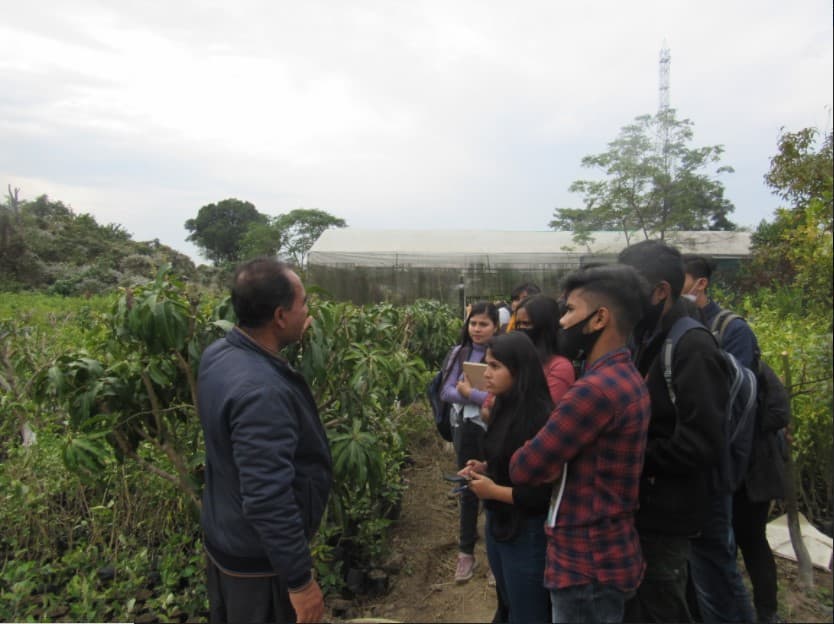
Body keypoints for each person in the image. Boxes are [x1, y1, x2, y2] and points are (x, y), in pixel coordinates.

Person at [509, 264, 652, 623]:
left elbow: (526, 467)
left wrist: (536, 449)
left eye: (570, 311)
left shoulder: (593, 390)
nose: (561, 322)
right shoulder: (626, 375)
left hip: (585, 563)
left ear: (599, 318)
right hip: (609, 553)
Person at [198, 258, 332, 624]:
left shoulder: (219, 354)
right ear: (279, 316)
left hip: (227, 539)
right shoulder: (261, 392)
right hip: (259, 568)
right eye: (302, 303)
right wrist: (300, 581)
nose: (307, 312)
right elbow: (267, 497)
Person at [618, 240, 729, 624]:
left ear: (660, 291)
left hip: (669, 511)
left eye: (628, 294)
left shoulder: (692, 347)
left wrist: (629, 451)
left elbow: (701, 444)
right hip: (645, 504)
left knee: (662, 602)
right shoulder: (648, 338)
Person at [683, 254, 772, 623]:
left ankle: (764, 613)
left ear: (700, 283)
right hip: (699, 461)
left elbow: (735, 401)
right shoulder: (679, 325)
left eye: (681, 279)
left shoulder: (732, 328)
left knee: (730, 551)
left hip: (731, 458)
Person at [459, 332, 554, 623]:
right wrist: (485, 466)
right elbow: (510, 458)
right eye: (487, 364)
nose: (485, 374)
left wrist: (493, 491)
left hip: (526, 530)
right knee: (508, 601)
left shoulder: (541, 418)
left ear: (520, 370)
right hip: (500, 522)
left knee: (528, 612)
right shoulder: (502, 404)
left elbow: (542, 494)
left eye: (495, 366)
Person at [439, 301, 499, 583]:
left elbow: (502, 400)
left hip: (493, 427)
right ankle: (466, 553)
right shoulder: (459, 352)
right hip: (465, 427)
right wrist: (476, 394)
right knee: (468, 486)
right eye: (473, 323)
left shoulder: (502, 355)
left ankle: (494, 558)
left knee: (494, 488)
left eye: (483, 324)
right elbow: (446, 392)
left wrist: (471, 392)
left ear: (496, 327)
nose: (477, 329)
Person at [513, 294, 575, 403]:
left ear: (544, 326)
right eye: (518, 324)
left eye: (526, 323)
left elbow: (544, 412)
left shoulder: (559, 367)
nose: (521, 328)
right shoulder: (514, 356)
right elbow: (488, 405)